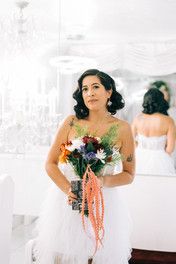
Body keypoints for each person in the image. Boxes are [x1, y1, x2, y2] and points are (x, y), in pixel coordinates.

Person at [30, 69, 135, 264]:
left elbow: (129, 174)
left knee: (96, 254)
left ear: (109, 91)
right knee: (63, 254)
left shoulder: (122, 129)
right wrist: (68, 189)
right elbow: (50, 163)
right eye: (85, 89)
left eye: (96, 87)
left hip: (104, 203)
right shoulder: (71, 122)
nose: (89, 93)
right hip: (67, 200)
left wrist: (102, 181)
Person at [132, 88, 176, 176]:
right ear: (161, 101)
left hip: (139, 157)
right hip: (161, 159)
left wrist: (141, 148)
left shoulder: (137, 119)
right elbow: (170, 148)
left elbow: (131, 142)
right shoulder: (168, 121)